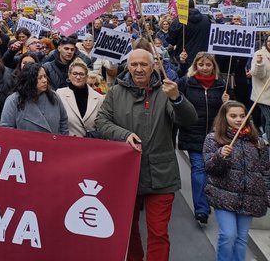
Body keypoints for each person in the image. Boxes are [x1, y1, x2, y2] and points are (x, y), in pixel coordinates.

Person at [95, 48, 197, 261]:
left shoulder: (166, 90)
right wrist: (124, 134)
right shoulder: (115, 92)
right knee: (128, 231)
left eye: (144, 64)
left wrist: (177, 99)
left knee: (158, 233)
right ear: (128, 66)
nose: (139, 69)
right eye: (134, 64)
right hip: (126, 174)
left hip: (161, 175)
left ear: (153, 66)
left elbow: (188, 120)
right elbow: (102, 122)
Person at [204, 101, 270, 261]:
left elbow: (265, 172)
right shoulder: (214, 139)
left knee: (241, 239)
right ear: (224, 117)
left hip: (249, 198)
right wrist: (220, 156)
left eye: (242, 116)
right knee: (228, 235)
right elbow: (210, 167)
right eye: (233, 116)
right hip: (224, 196)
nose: (239, 119)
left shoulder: (258, 142)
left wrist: (267, 196)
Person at [177, 51, 229, 225]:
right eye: (201, 65)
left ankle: (211, 200)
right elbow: (176, 100)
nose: (205, 68)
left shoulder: (221, 85)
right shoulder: (186, 83)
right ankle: (201, 209)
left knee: (211, 170)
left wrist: (226, 102)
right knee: (199, 169)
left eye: (208, 65)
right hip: (193, 133)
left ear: (213, 67)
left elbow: (231, 112)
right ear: (196, 66)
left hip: (215, 136)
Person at [0, 62, 68, 134]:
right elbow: (6, 128)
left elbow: (63, 122)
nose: (45, 80)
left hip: (53, 143)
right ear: (30, 80)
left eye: (45, 76)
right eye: (40, 78)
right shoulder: (13, 100)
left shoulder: (54, 96)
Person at [56, 59, 104, 137]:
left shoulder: (99, 98)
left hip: (91, 144)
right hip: (69, 143)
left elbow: (102, 123)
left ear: (87, 76)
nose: (78, 77)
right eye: (75, 74)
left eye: (81, 74)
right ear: (69, 75)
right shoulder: (60, 94)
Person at [250, 33, 270, 142]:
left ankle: (264, 137)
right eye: (269, 41)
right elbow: (257, 74)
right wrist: (259, 63)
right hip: (263, 95)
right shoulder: (259, 54)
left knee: (266, 119)